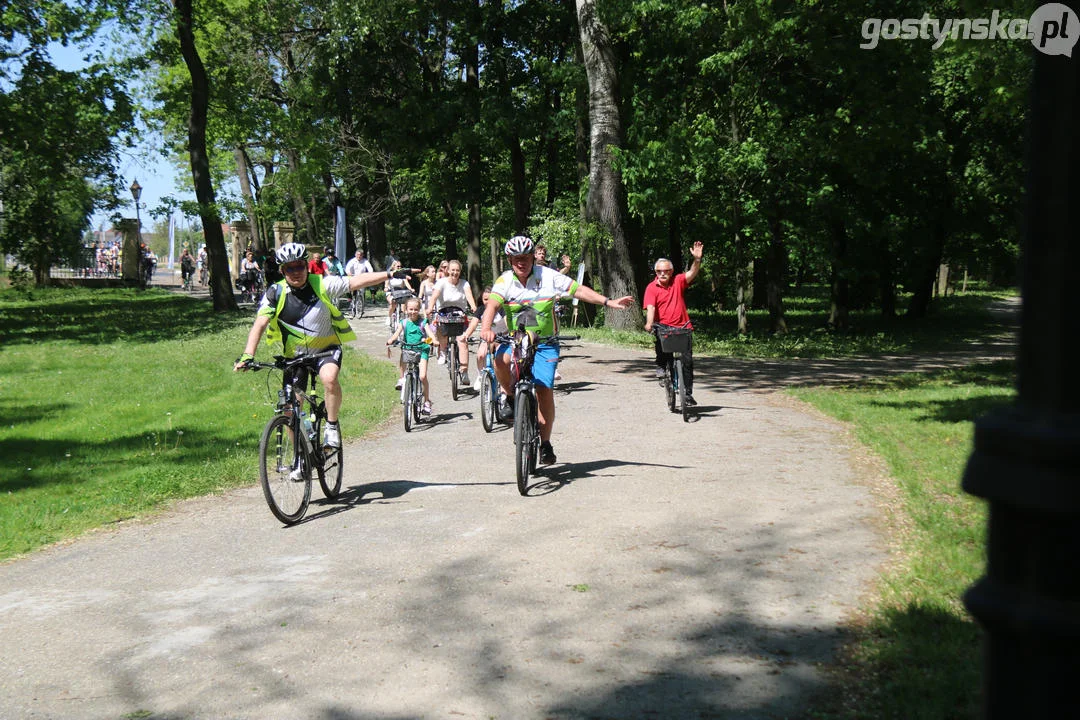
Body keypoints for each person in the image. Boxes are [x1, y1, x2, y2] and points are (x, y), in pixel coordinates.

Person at [234, 243, 410, 449]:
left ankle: (332, 426)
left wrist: (389, 275)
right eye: (290, 268)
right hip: (295, 356)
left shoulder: (322, 284)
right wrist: (248, 354)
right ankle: (300, 459)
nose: (296, 272)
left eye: (300, 266)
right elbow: (260, 324)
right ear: (283, 270)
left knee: (329, 378)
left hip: (326, 349)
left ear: (306, 266)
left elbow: (355, 281)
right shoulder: (275, 292)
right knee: (290, 410)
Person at [481, 235, 633, 465]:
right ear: (509, 260)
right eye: (516, 259)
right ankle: (510, 396)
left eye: (525, 258)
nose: (521, 263)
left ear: (533, 257)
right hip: (516, 339)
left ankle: (545, 443)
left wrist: (608, 302)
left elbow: (578, 290)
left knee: (544, 390)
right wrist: (485, 329)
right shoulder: (505, 281)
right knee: (499, 360)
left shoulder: (548, 276)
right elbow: (491, 306)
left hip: (544, 343)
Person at [643, 242, 704, 405]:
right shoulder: (651, 287)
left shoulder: (678, 281)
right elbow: (651, 307)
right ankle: (661, 367)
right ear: (656, 272)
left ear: (671, 272)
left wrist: (697, 260)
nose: (662, 274)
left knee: (687, 361)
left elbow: (692, 272)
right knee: (663, 351)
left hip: (683, 327)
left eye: (666, 271)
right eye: (659, 271)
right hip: (663, 327)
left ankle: (687, 393)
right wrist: (649, 323)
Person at [426, 258, 477, 383]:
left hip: (459, 313)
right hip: (444, 311)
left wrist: (474, 307)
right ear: (448, 270)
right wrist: (430, 307)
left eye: (457, 270)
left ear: (460, 271)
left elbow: (469, 296)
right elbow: (434, 296)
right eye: (452, 270)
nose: (455, 272)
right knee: (441, 328)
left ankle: (464, 372)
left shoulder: (464, 283)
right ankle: (443, 351)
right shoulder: (441, 283)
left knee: (463, 341)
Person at [385, 297, 437, 415]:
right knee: (403, 353)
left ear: (419, 310)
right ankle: (402, 378)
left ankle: (427, 401)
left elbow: (430, 334)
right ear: (406, 310)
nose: (413, 312)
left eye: (415, 309)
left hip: (422, 350)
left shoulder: (423, 323)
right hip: (408, 349)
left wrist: (433, 340)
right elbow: (397, 333)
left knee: (422, 376)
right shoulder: (403, 322)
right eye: (410, 309)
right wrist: (391, 340)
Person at [464, 286, 506, 391]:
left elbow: (507, 322)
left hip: (501, 337)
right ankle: (480, 375)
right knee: (481, 354)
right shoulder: (481, 310)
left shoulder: (501, 309)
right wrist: (466, 335)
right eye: (485, 299)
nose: (488, 302)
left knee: (502, 359)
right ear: (482, 300)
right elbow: (473, 324)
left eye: (491, 299)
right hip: (486, 338)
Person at [384, 260, 415, 327]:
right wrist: (386, 287)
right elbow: (386, 284)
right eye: (398, 266)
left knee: (404, 304)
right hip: (391, 291)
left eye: (400, 266)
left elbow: (407, 284)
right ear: (393, 267)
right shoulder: (390, 274)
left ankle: (403, 319)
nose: (399, 268)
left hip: (400, 292)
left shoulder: (402, 275)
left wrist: (411, 289)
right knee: (393, 302)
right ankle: (389, 317)